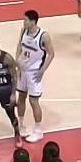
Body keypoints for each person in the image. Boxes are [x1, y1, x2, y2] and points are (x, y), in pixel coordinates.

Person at [17, 10, 55, 143]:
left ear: (33, 21)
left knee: (33, 101)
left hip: (34, 72)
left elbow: (51, 54)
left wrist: (42, 70)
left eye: (25, 20)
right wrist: (17, 61)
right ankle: (21, 125)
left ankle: (38, 131)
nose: (23, 22)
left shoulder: (43, 36)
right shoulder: (23, 31)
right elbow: (19, 45)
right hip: (23, 70)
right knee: (21, 97)